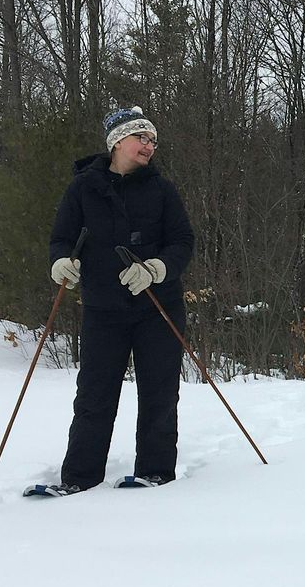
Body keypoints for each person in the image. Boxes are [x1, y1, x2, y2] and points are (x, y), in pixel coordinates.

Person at [46, 106, 195, 492]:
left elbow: (182, 242)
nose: (149, 146)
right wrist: (61, 262)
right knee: (94, 394)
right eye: (141, 138)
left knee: (159, 393)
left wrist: (156, 269)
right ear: (117, 142)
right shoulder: (82, 188)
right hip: (102, 308)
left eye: (153, 141)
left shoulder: (162, 189)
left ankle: (156, 471)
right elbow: (61, 237)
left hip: (157, 307)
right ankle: (80, 477)